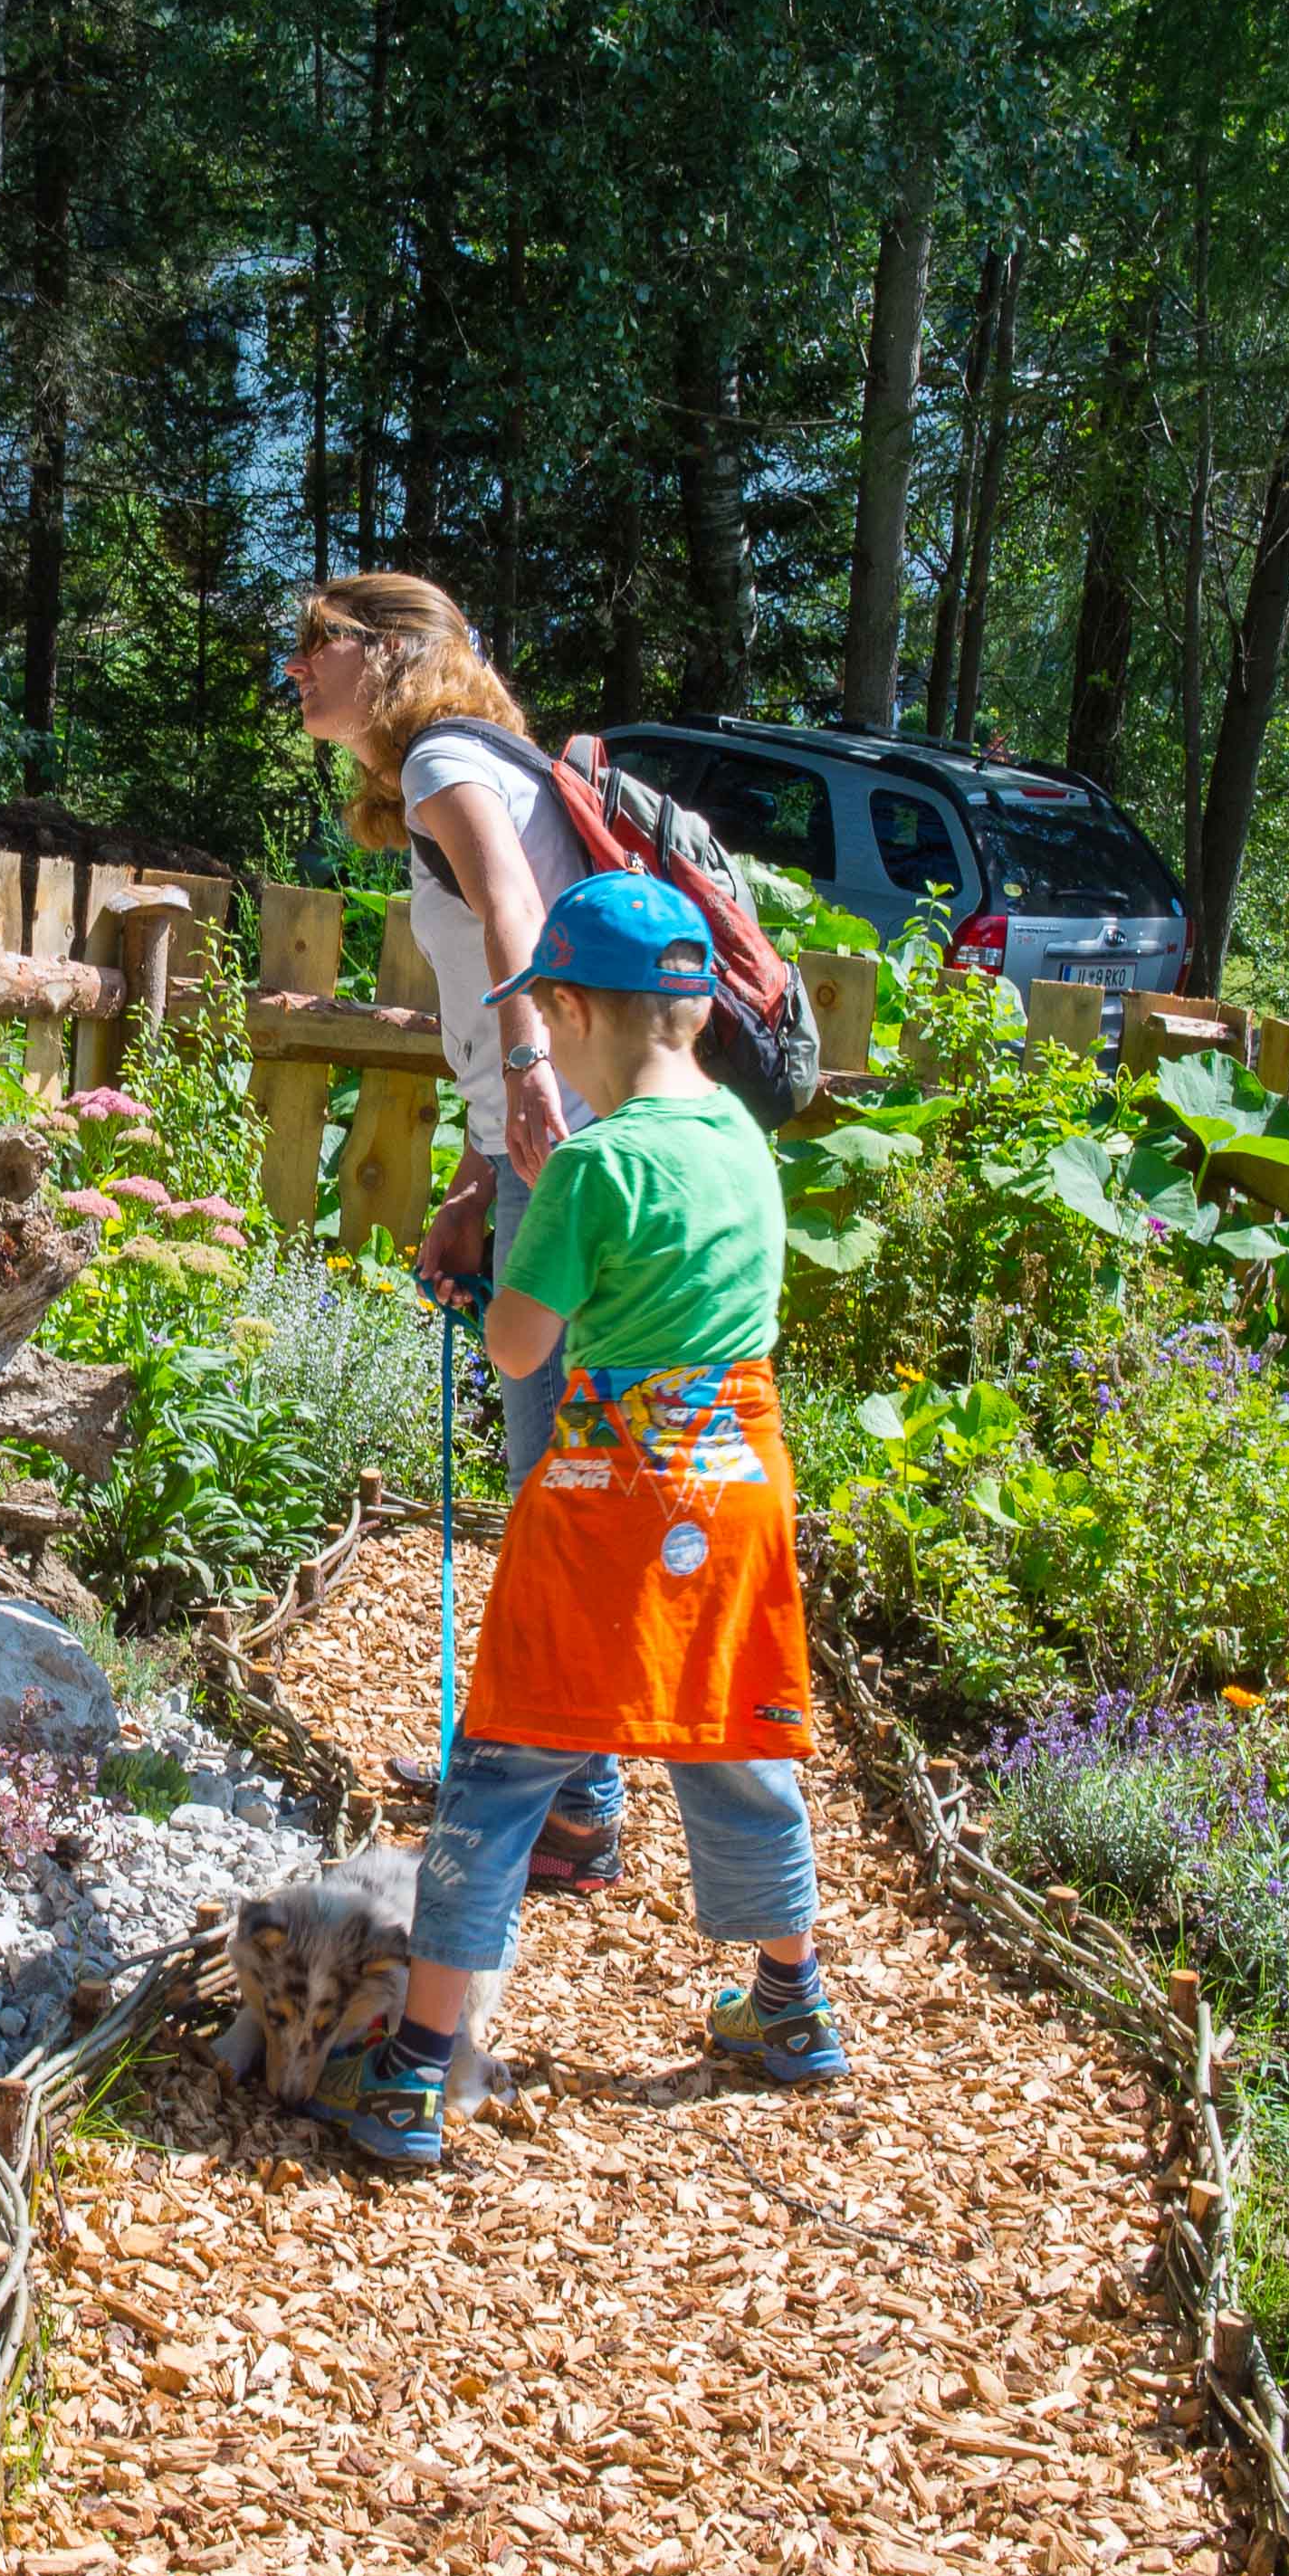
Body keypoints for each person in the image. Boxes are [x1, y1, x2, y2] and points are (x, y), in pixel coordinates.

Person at [312, 869, 845, 2169]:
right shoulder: (743, 1146)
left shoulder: (592, 1170)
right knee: (734, 1741)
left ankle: (415, 2073)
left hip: (608, 1500)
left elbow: (517, 1345)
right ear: (697, 1013)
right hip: (735, 1493)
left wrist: (488, 1283)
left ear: (569, 1010)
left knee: (502, 1774)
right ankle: (792, 2008)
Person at [281, 573, 627, 1899]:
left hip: (577, 1151)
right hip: (549, 1155)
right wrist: (486, 1177)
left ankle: (572, 1804)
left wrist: (534, 1084)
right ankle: (546, 1776)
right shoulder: (451, 766)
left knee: (559, 1489)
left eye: (319, 643)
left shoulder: (442, 755)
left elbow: (513, 920)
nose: (296, 669)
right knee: (557, 1481)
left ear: (393, 651)